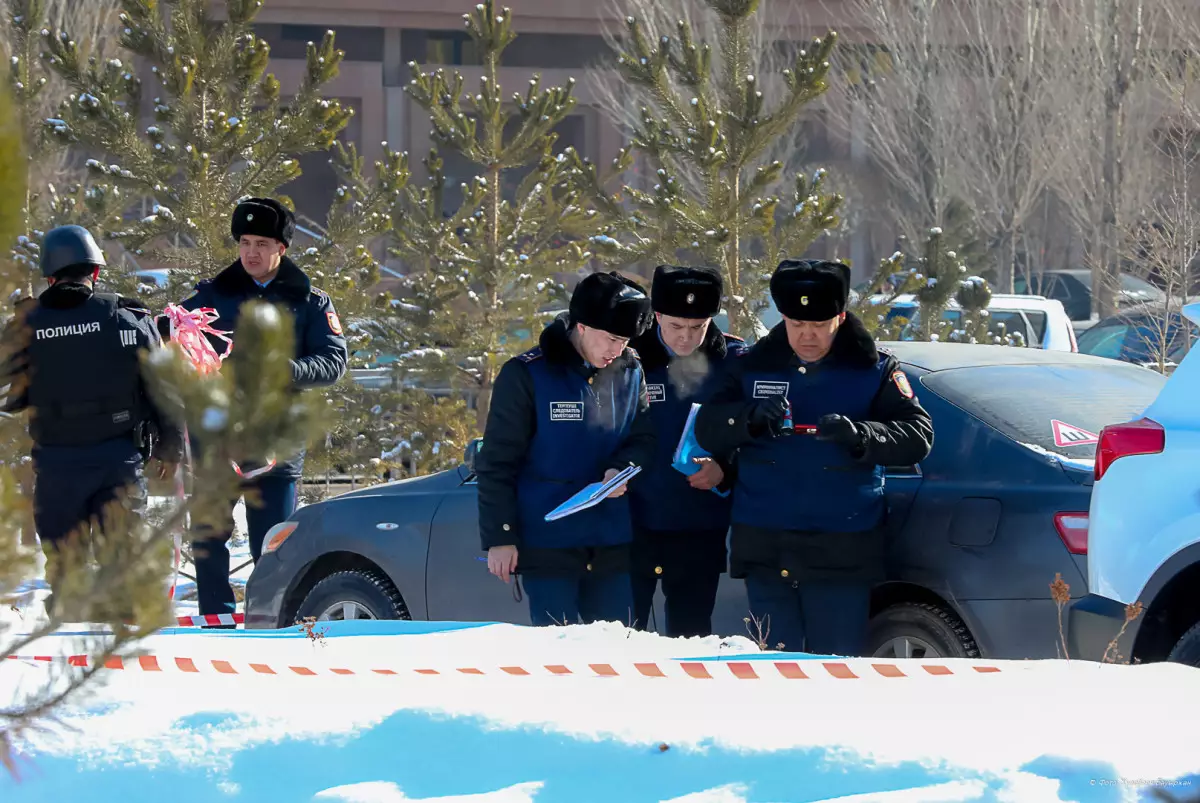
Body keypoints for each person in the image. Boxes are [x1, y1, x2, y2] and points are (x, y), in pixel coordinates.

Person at [694, 259, 934, 656]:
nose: (807, 336)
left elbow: (918, 435)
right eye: (797, 324)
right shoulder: (751, 366)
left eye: (819, 326)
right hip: (767, 543)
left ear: (840, 318)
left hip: (842, 546)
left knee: (835, 664)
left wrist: (862, 435)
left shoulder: (872, 369)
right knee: (774, 664)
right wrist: (750, 419)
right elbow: (708, 427)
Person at [166, 197, 348, 618]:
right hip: (217, 439)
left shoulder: (310, 301)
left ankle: (271, 623)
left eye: (262, 243)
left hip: (276, 442)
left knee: (273, 544)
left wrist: (283, 370)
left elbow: (333, 363)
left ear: (281, 248)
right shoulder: (211, 297)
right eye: (245, 241)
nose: (251, 252)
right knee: (208, 537)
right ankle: (216, 619)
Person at [0, 224, 185, 615]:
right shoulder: (125, 316)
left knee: (65, 565)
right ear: (95, 272)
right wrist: (170, 447)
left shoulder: (26, 327)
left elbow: (7, 394)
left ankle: (67, 632)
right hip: (118, 458)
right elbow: (163, 388)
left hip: (56, 461)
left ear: (49, 276)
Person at [477, 270, 656, 626]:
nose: (616, 350)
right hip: (549, 541)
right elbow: (497, 462)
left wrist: (622, 468)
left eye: (623, 341)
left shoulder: (630, 370)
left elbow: (643, 437)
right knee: (558, 653)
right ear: (582, 326)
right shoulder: (527, 375)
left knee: (615, 654)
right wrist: (501, 538)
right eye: (610, 339)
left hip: (610, 541)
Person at [626, 264, 745, 637]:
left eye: (698, 327)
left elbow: (758, 435)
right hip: (632, 524)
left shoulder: (736, 363)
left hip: (700, 525)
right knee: (620, 639)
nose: (686, 337)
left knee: (691, 639)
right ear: (656, 315)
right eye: (676, 326)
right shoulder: (628, 358)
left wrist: (726, 470)